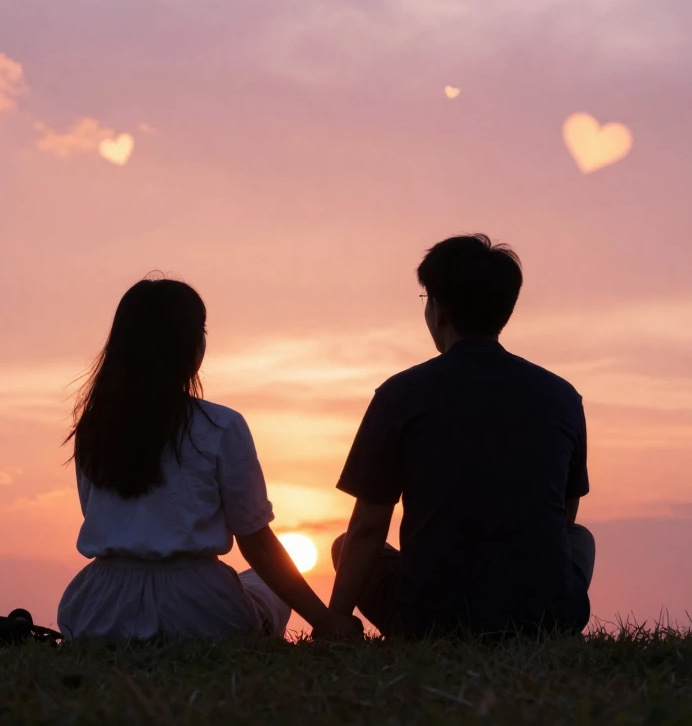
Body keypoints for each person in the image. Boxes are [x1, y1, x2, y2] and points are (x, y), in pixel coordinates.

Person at [58, 276, 361, 641]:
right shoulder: (220, 425)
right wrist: (326, 621)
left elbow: (94, 514)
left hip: (101, 610)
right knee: (267, 592)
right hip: (198, 610)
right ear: (189, 348)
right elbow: (257, 543)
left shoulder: (94, 427)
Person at [329, 234, 595, 639]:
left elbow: (368, 526)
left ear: (439, 311)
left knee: (344, 542)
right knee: (580, 539)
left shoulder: (400, 395)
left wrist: (334, 621)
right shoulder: (562, 397)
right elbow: (563, 515)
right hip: (546, 620)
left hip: (430, 624)